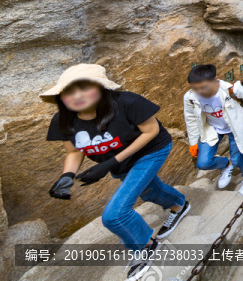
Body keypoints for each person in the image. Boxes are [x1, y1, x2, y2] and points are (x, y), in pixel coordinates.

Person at [44, 64, 190, 281]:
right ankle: (179, 204)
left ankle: (146, 246)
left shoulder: (128, 103)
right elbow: (74, 152)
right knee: (149, 192)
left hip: (151, 150)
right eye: (69, 92)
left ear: (101, 88)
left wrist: (109, 163)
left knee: (115, 215)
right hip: (118, 162)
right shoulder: (63, 120)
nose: (77, 96)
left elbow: (152, 131)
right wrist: (67, 176)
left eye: (84, 88)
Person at [183, 64, 243, 196]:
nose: (199, 92)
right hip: (212, 128)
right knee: (203, 163)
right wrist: (193, 142)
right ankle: (227, 164)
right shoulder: (190, 97)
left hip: (235, 124)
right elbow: (190, 118)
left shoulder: (231, 90)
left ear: (215, 79)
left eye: (203, 87)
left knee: (238, 158)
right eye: (195, 88)